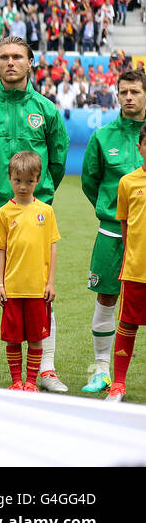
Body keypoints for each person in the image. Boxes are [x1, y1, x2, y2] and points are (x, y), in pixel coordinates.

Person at [0, 37, 69, 389]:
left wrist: (38, 201)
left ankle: (45, 369)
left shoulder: (47, 110)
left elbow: (58, 162)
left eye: (18, 56)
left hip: (34, 217)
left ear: (30, 62)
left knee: (39, 292)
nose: (11, 62)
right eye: (4, 57)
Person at [81, 70, 145, 393]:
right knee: (106, 298)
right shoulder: (102, 137)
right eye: (124, 92)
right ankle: (103, 371)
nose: (129, 97)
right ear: (117, 95)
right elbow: (89, 182)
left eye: (135, 91)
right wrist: (111, 210)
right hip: (111, 234)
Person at [0, 151, 60, 391]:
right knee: (12, 339)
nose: (23, 186)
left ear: (38, 179)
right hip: (12, 288)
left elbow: (52, 248)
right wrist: (0, 284)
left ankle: (31, 381)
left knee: (35, 338)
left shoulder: (46, 211)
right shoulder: (3, 213)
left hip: (37, 289)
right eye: (18, 180)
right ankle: (16, 381)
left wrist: (50, 282)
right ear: (10, 178)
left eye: (29, 181)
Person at [108, 125, 146, 401]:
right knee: (127, 324)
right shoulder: (128, 182)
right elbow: (124, 223)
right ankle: (118, 384)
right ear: (140, 147)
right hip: (136, 269)